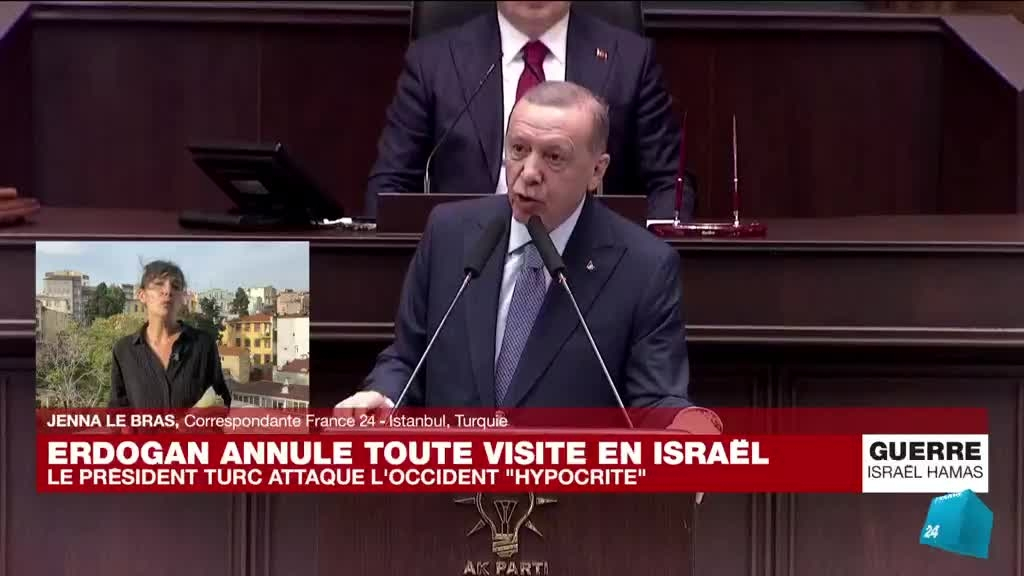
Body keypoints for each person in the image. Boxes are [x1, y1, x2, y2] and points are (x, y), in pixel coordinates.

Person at [340, 81, 692, 415]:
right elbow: (407, 359)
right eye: (519, 150)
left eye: (554, 156)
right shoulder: (449, 233)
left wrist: (685, 424)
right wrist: (385, 397)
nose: (529, 172)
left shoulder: (644, 267)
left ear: (597, 172)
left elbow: (657, 400)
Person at [364, 1, 694, 221]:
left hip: (592, 264)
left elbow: (669, 183)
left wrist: (640, 263)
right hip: (466, 261)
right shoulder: (434, 61)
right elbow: (391, 184)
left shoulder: (630, 59)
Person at [109, 260, 232, 409]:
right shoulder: (124, 350)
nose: (168, 291)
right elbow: (117, 411)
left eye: (175, 286)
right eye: (159, 284)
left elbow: (222, 400)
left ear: (182, 297)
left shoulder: (203, 345)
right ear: (142, 295)